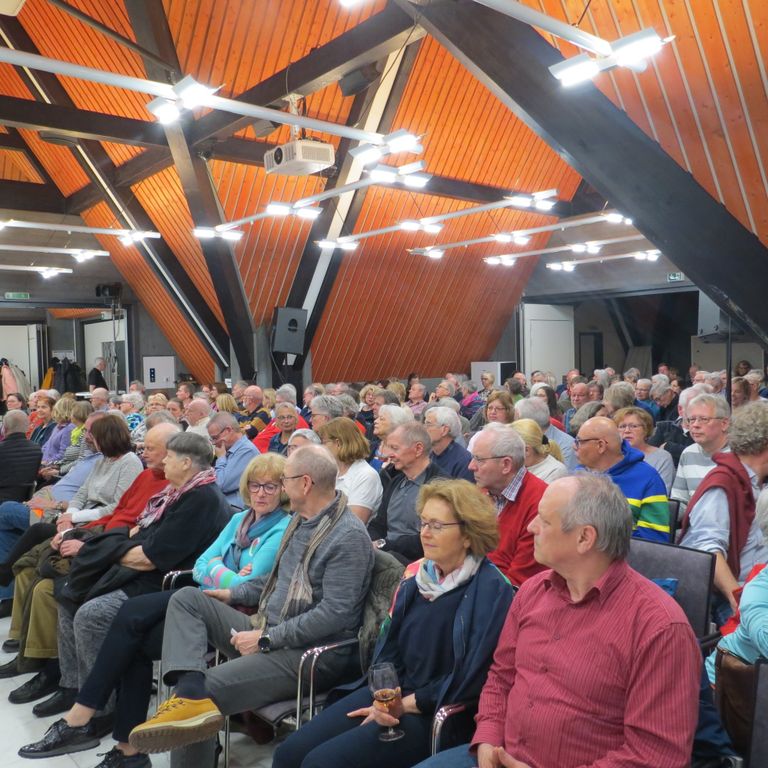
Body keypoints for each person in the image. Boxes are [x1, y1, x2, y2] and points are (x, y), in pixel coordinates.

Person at [17, 453, 293, 765]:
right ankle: (128, 749)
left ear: (283, 490)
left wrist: (217, 568)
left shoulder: (281, 528)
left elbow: (248, 583)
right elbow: (201, 566)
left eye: (270, 487)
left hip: (235, 613)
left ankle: (82, 714)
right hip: (200, 597)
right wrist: (220, 570)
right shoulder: (238, 520)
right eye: (255, 485)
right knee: (135, 641)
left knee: (131, 613)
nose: (260, 493)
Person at [411, 474, 702, 768]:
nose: (530, 527)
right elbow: (500, 677)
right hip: (499, 755)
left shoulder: (659, 627)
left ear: (584, 538)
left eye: (544, 520)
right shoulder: (532, 592)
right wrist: (488, 737)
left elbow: (656, 755)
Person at [126, 445, 375, 766]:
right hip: (271, 628)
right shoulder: (303, 520)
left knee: (204, 692)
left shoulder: (347, 536)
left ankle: (191, 697)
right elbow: (276, 579)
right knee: (187, 599)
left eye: (284, 480)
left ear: (305, 483)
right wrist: (234, 594)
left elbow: (334, 615)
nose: (281, 487)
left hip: (310, 656)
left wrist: (266, 639)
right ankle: (189, 690)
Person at [273, 479, 514, 768]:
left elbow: (470, 678)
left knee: (321, 763)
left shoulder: (491, 590)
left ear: (468, 534)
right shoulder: (418, 577)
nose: (425, 533)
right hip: (393, 694)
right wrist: (384, 695)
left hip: (437, 710)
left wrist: (407, 704)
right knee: (289, 752)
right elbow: (388, 648)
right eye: (423, 523)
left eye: (437, 525)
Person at [680, 401, 768, 625]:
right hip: (733, 598)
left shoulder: (757, 482)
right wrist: (740, 602)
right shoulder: (724, 483)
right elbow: (708, 551)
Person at [468, 424, 547, 585]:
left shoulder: (540, 504)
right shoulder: (482, 491)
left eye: (479, 460)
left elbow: (518, 583)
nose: (471, 466)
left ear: (506, 465)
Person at [574, 416, 670, 542]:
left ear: (601, 445)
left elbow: (654, 542)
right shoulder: (578, 474)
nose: (574, 446)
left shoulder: (648, 479)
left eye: (579, 441)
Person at [369, 424, 447, 563]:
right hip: (383, 556)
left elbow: (430, 536)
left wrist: (383, 545)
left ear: (418, 449)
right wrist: (370, 543)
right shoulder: (395, 481)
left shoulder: (441, 487)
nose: (389, 454)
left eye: (395, 448)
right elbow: (378, 524)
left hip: (417, 563)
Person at [671, 394, 731, 514]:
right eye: (692, 419)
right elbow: (679, 502)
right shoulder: (688, 453)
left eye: (704, 419)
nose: (695, 425)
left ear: (724, 424)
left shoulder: (741, 455)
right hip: (694, 524)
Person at [316, 417, 383, 525]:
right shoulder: (332, 471)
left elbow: (353, 524)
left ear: (338, 443)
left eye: (324, 442)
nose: (321, 448)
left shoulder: (366, 475)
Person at [613, 406, 675, 493]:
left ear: (646, 430)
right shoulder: (610, 456)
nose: (627, 430)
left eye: (633, 426)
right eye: (622, 426)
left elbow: (662, 492)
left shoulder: (662, 457)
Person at [207, 411, 259, 510]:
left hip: (236, 510)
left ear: (228, 430)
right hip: (224, 507)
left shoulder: (247, 451)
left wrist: (221, 458)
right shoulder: (229, 449)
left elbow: (220, 484)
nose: (214, 443)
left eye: (215, 438)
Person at [515, 397, 576, 471]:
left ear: (530, 423)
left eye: (517, 420)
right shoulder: (523, 440)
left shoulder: (567, 445)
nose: (514, 422)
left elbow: (567, 475)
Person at [510, 419, 567, 484]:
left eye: (510, 449)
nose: (507, 453)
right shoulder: (520, 466)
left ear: (526, 450)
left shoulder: (555, 472)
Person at [424, 406, 474, 481]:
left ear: (444, 430)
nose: (424, 428)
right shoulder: (429, 454)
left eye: (428, 424)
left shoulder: (463, 461)